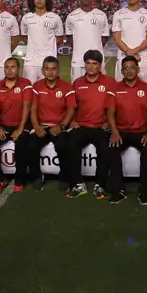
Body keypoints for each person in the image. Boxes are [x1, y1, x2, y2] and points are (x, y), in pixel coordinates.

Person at [106, 55, 147, 205]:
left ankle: (144, 191)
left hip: (142, 131)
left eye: (132, 68)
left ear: (138, 69)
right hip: (121, 131)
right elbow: (110, 113)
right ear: (121, 71)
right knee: (112, 148)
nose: (129, 71)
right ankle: (118, 190)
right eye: (126, 69)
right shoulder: (114, 89)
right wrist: (114, 132)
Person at [66, 49, 114, 199]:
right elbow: (71, 106)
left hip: (101, 126)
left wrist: (108, 122)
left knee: (105, 148)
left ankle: (100, 185)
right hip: (82, 125)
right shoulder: (77, 83)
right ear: (84, 65)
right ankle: (78, 184)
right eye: (88, 64)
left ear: (100, 65)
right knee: (70, 142)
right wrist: (72, 121)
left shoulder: (110, 82)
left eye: (94, 64)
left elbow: (116, 106)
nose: (91, 67)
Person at [28, 55, 76, 192]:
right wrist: (36, 127)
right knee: (31, 146)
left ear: (58, 70)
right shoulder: (36, 86)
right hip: (41, 125)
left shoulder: (67, 87)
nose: (50, 72)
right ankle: (37, 177)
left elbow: (71, 109)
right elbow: (33, 108)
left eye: (53, 69)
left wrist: (61, 126)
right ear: (43, 71)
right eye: (47, 69)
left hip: (58, 126)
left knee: (63, 146)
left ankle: (64, 177)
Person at [0, 57, 33, 190]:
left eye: (12, 67)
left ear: (18, 69)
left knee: (21, 144)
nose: (9, 70)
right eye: (7, 67)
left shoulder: (26, 83)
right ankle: (0, 179)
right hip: (3, 125)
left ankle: (19, 180)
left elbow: (27, 106)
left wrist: (20, 128)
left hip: (21, 124)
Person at [65, 0, 110, 83]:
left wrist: (94, 52)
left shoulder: (101, 15)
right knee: (77, 90)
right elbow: (69, 38)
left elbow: (104, 38)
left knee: (100, 90)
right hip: (78, 61)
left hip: (97, 61)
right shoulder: (71, 16)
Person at [112, 0, 147, 82]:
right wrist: (129, 52)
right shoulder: (118, 14)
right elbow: (116, 39)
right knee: (122, 91)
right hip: (123, 56)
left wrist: (134, 50)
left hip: (142, 57)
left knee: (145, 90)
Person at [20, 0, 64, 83]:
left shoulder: (55, 18)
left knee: (47, 92)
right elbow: (24, 37)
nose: (39, 0)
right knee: (29, 91)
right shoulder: (26, 18)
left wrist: (47, 46)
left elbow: (59, 39)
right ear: (32, 0)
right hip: (30, 62)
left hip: (49, 63)